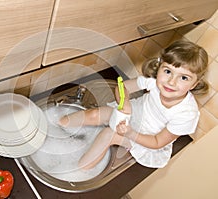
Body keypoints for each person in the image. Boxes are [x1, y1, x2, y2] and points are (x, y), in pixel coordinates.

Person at [58, 40, 209, 169]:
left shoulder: (187, 114)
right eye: (168, 71)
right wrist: (125, 104)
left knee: (109, 135)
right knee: (94, 114)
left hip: (147, 137)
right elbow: (122, 87)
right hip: (134, 113)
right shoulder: (154, 82)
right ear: (160, 67)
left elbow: (157, 142)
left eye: (183, 77)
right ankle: (56, 125)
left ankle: (77, 169)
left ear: (194, 84)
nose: (171, 82)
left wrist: (130, 133)